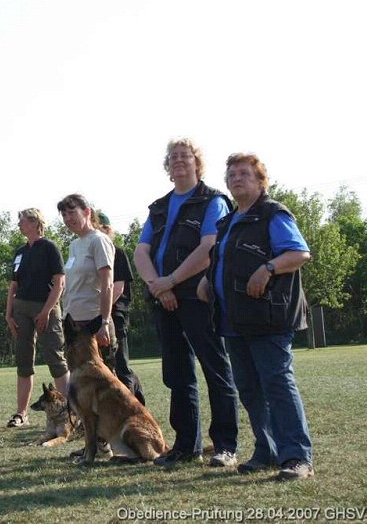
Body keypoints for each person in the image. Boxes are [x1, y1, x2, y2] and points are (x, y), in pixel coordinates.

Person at [198, 152, 314, 480]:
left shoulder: (273, 214)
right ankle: (268, 450)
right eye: (232, 174)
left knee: (277, 385)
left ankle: (297, 457)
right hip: (234, 320)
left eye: (244, 174)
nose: (236, 179)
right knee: (249, 389)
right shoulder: (227, 222)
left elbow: (299, 252)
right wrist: (208, 280)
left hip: (268, 318)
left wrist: (268, 268)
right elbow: (224, 261)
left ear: (261, 182)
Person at [133, 137, 239, 470]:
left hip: (198, 297)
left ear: (197, 163)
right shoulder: (159, 207)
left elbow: (209, 247)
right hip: (163, 299)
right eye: (173, 156)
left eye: (185, 155)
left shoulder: (213, 201)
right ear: (168, 166)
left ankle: (225, 446)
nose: (179, 160)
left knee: (215, 370)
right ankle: (185, 446)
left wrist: (172, 280)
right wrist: (157, 286)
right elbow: (141, 252)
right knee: (177, 376)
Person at [57, 193, 116, 459]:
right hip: (74, 323)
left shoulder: (98, 241)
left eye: (72, 212)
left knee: (103, 388)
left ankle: (107, 442)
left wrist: (104, 321)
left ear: (87, 211)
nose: (68, 218)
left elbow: (107, 284)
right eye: (64, 214)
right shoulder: (74, 245)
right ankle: (94, 443)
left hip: (93, 323)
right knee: (83, 391)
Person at [5, 208, 70, 428]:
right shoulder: (20, 252)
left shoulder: (50, 247)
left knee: (55, 358)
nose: (19, 225)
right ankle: (21, 414)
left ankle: (69, 412)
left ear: (35, 222)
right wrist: (8, 314)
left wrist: (46, 311)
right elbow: (13, 285)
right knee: (23, 361)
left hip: (46, 307)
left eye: (22, 221)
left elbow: (60, 283)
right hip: (21, 309)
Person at [96, 211, 146, 405]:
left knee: (120, 364)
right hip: (96, 316)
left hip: (115, 314)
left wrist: (103, 311)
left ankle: (131, 407)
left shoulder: (118, 253)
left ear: (107, 229)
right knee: (103, 366)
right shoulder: (93, 255)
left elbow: (117, 288)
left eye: (100, 228)